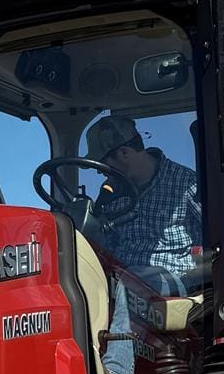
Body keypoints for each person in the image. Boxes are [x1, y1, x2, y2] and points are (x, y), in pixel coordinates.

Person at [84, 113, 203, 296]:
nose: (101, 173)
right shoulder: (110, 191)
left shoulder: (185, 182)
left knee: (137, 280)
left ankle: (120, 326)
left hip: (173, 279)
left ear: (124, 153)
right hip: (121, 276)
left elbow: (215, 232)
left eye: (103, 164)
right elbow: (107, 240)